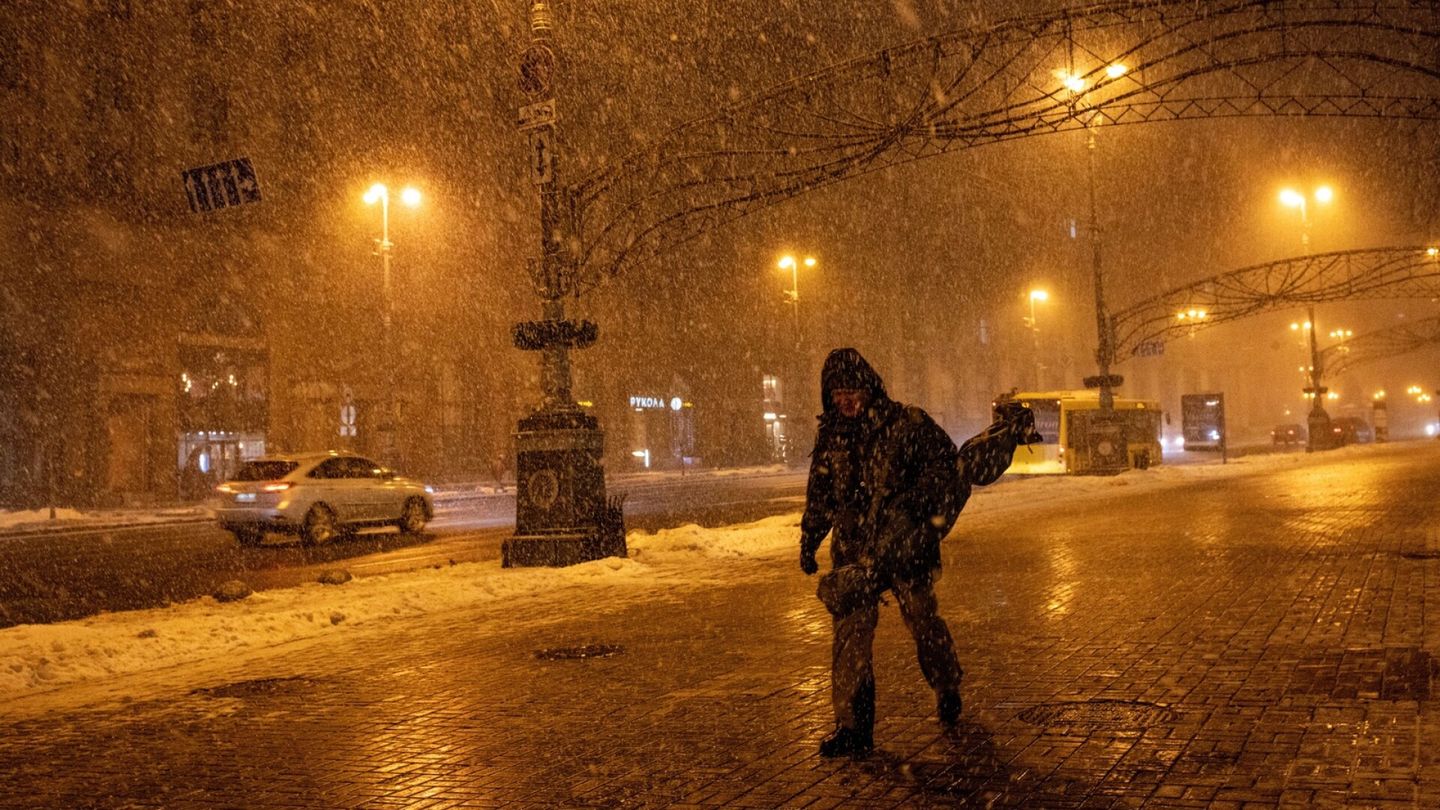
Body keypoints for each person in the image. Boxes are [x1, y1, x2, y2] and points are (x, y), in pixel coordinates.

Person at [800, 347, 1036, 758]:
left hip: (905, 547)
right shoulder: (831, 435)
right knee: (850, 638)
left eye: (851, 389)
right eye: (836, 393)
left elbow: (946, 467)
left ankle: (947, 684)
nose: (845, 399)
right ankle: (853, 728)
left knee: (923, 621)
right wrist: (810, 537)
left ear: (869, 387)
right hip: (856, 554)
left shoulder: (907, 424)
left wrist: (914, 502)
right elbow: (820, 493)